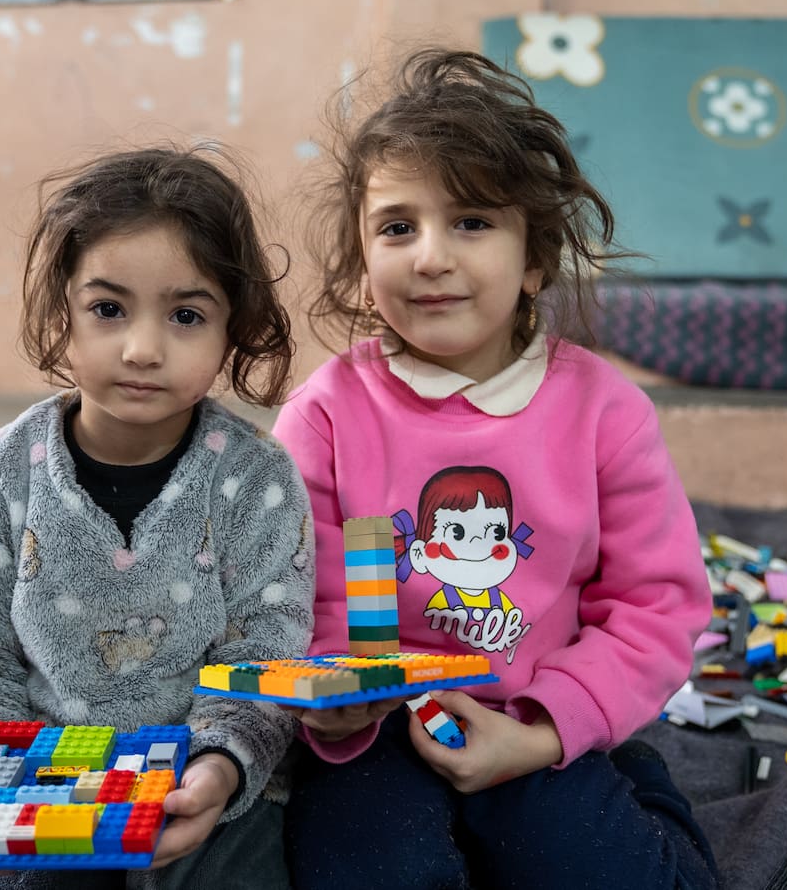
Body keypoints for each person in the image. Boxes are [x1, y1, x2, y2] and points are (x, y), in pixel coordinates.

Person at [271, 48, 720, 889]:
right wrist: (336, 708)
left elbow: (656, 605)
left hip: (535, 720)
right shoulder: (324, 416)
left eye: (472, 222)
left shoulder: (604, 413)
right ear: (364, 271)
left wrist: (551, 731)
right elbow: (294, 598)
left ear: (535, 262)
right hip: (378, 736)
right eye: (397, 227)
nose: (430, 257)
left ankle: (635, 780)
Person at [0, 145, 315, 890]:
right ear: (59, 311)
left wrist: (220, 769)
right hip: (38, 785)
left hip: (204, 787)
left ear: (234, 329)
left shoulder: (257, 478)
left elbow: (267, 651)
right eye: (108, 308)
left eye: (186, 314)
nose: (141, 348)